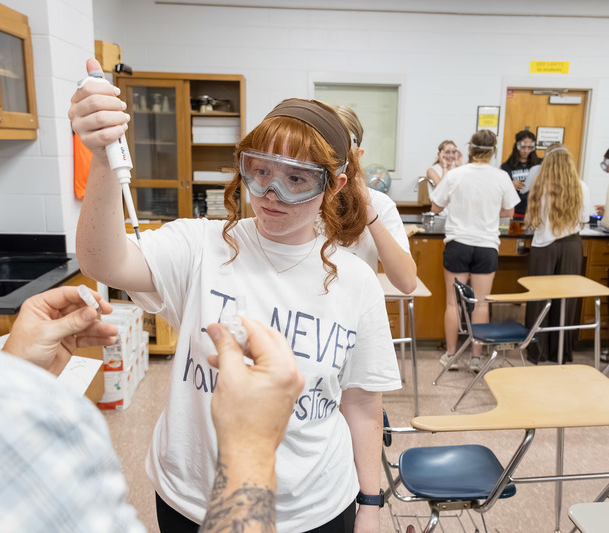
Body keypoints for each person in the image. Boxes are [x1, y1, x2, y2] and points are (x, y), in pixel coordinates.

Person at [0, 4, 304, 531]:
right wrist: (251, 453)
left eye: (298, 179)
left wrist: (10, 373)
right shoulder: (4, 423)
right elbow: (107, 260)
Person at [71, 71, 402, 533]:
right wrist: (104, 159)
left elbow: (363, 403)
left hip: (315, 506)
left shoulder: (356, 282)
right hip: (194, 500)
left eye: (296, 179)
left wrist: (370, 503)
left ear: (334, 184)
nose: (271, 193)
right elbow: (102, 260)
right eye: (260, 171)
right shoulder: (200, 245)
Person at [430, 130, 520, 371]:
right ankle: (476, 358)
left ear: (469, 149)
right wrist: (489, 212)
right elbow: (510, 212)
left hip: (458, 245)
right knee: (480, 303)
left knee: (453, 303)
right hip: (486, 247)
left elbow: (436, 206)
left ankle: (451, 356)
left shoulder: (455, 175)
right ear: (493, 151)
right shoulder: (501, 177)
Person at [333, 104, 417, 294]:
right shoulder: (302, 200)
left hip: (357, 316)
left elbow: (407, 283)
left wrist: (369, 213)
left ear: (357, 154)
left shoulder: (379, 204)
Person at [523, 144, 590, 364]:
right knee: (566, 299)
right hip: (571, 245)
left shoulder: (539, 186)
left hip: (544, 246)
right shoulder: (581, 187)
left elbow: (532, 224)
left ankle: (536, 352)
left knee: (539, 299)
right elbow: (584, 219)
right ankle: (560, 353)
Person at [501, 130, 541, 219]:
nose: (526, 151)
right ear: (517, 146)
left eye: (529, 147)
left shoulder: (539, 164)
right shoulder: (507, 166)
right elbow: (500, 187)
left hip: (535, 211)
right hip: (515, 212)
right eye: (523, 147)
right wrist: (510, 184)